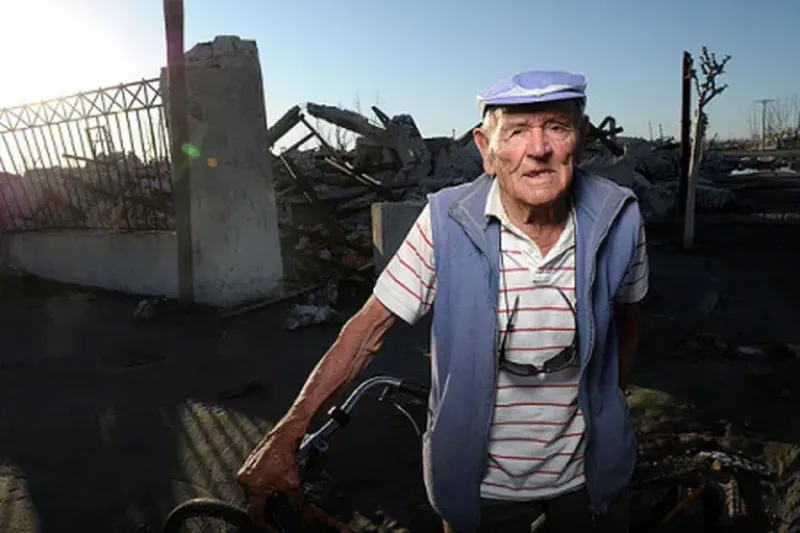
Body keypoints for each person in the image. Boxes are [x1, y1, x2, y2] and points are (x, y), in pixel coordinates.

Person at [237, 70, 649, 533]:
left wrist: (609, 403)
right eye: (516, 132)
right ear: (485, 150)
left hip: (589, 479)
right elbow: (367, 330)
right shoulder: (445, 222)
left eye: (556, 126)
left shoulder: (620, 216)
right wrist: (287, 434)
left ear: (581, 138)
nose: (538, 149)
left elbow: (627, 316)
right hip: (481, 488)